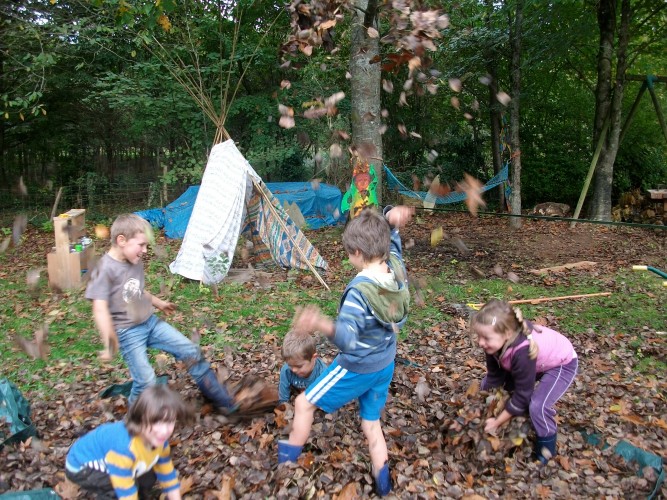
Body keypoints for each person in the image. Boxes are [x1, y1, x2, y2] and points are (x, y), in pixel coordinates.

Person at [278, 206, 413, 497]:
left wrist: (321, 323)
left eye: (349, 252)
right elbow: (394, 242)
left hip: (358, 367)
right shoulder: (397, 269)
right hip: (385, 364)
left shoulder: (358, 293)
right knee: (371, 423)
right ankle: (383, 484)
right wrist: (391, 219)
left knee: (303, 404)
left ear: (357, 254)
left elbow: (348, 341)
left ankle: (285, 460)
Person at [86, 213, 236, 411]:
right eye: (141, 245)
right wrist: (109, 342)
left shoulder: (133, 259)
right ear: (121, 240)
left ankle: (220, 400)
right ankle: (134, 421)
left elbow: (136, 290)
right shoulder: (104, 270)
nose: (145, 250)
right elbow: (99, 308)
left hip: (150, 323)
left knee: (190, 351)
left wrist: (159, 303)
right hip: (127, 333)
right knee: (146, 380)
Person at [471, 299, 578, 464]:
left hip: (561, 364)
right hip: (535, 362)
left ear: (507, 334)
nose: (480, 342)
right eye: (478, 336)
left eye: (485, 337)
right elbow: (494, 378)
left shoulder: (523, 352)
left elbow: (523, 395)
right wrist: (480, 407)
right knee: (490, 385)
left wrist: (497, 422)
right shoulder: (492, 344)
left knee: (537, 406)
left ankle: (545, 454)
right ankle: (516, 426)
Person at [65, 384, 193, 499]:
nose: (164, 430)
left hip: (117, 460)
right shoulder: (125, 449)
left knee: (149, 474)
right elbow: (125, 493)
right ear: (140, 421)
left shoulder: (160, 441)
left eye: (169, 422)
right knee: (117, 488)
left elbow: (167, 472)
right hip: (82, 466)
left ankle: (141, 493)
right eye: (156, 422)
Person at [278, 331, 328, 404]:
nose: (294, 370)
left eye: (299, 366)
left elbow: (327, 397)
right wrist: (283, 405)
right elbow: (283, 395)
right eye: (290, 365)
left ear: (313, 358)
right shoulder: (286, 370)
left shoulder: (322, 373)